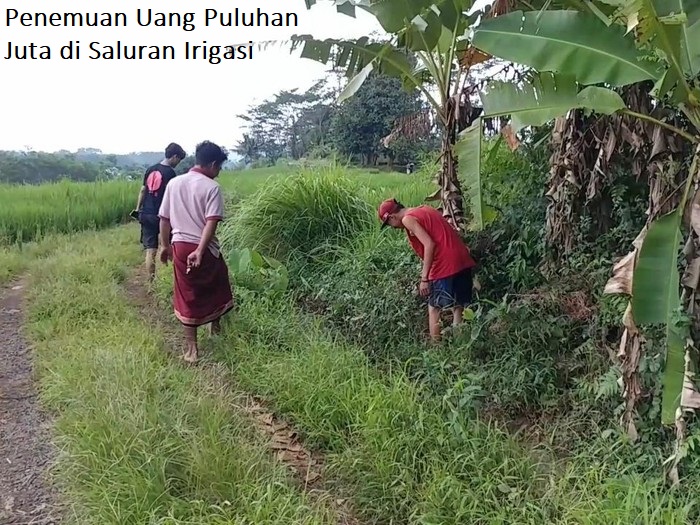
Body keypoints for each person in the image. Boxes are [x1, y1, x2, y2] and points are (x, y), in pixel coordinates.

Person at [158, 140, 233, 363]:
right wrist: (200, 250)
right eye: (218, 167)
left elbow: (164, 219)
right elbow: (211, 222)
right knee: (217, 284)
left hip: (180, 246)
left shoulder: (174, 183)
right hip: (204, 246)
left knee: (187, 295)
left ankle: (192, 350)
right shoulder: (212, 187)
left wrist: (165, 246)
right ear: (211, 164)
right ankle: (214, 328)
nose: (218, 173)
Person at [378, 198, 476, 342]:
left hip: (444, 263)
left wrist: (425, 278)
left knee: (434, 308)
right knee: (458, 306)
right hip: (462, 259)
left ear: (392, 217)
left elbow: (429, 244)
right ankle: (460, 346)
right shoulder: (425, 209)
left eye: (389, 224)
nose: (392, 227)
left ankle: (436, 350)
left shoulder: (407, 219)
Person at [134, 142, 187, 282]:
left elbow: (143, 190)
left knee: (150, 249)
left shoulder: (150, 169)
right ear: (174, 156)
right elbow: (174, 197)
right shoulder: (170, 173)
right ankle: (170, 279)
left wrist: (138, 209)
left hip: (146, 213)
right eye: (178, 160)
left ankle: (151, 281)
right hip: (163, 217)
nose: (178, 163)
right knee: (169, 246)